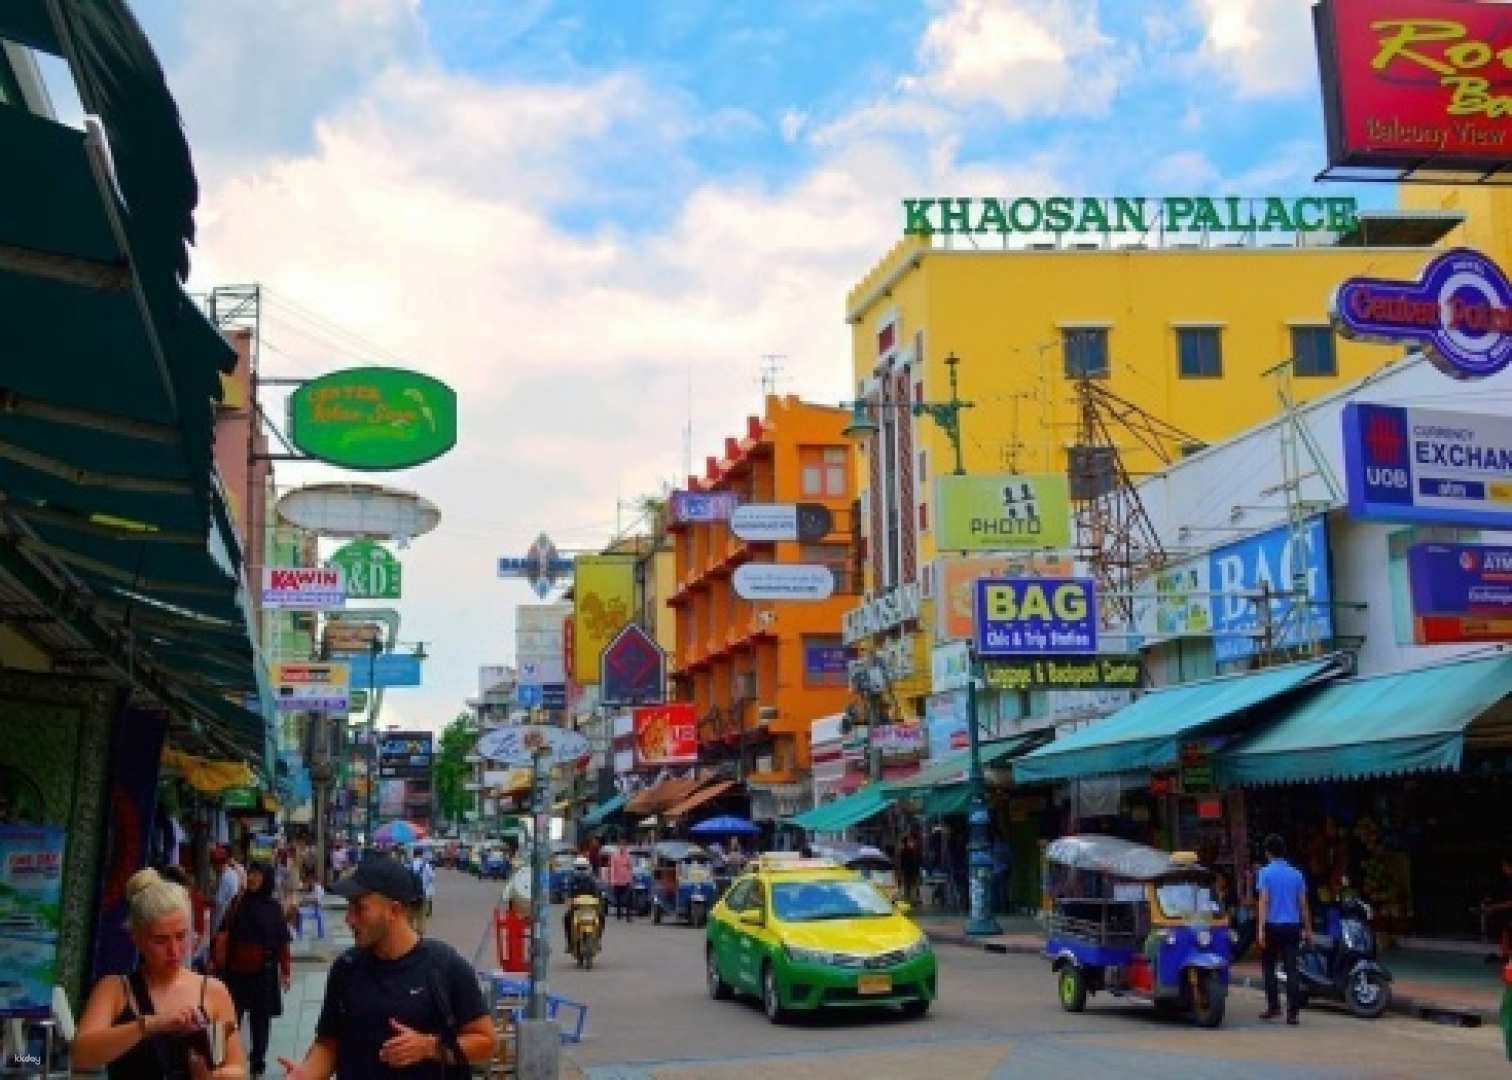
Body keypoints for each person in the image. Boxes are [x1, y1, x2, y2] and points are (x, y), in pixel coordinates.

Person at [277, 857, 496, 1078]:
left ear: (394, 910)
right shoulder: (346, 968)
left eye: (360, 908)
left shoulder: (445, 967)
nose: (349, 919)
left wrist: (430, 1047)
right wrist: (305, 1074)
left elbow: (485, 1042)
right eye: (349, 907)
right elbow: (328, 1044)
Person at [74, 868, 248, 1079]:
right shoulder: (115, 989)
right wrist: (149, 1024)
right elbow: (81, 1054)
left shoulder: (213, 990)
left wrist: (214, 1076)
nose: (174, 951)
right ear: (136, 938)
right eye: (160, 940)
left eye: (181, 936)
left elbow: (238, 1069)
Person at [216, 861, 291, 1079]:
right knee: (231, 1016)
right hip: (235, 970)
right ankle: (226, 1057)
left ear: (266, 877)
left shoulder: (273, 907)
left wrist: (285, 970)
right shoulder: (238, 903)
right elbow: (224, 932)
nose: (252, 878)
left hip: (264, 971)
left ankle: (258, 1062)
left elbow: (282, 942)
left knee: (260, 1019)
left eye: (257, 874)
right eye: (250, 873)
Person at [1257, 833, 1312, 1025]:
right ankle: (1293, 1013)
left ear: (1268, 853)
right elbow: (1304, 905)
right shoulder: (1296, 874)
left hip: (1272, 926)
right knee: (1292, 970)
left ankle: (1274, 1007)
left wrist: (1260, 929)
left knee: (1269, 967)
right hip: (1292, 927)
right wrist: (1308, 930)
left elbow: (1264, 901)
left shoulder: (1265, 873)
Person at [562, 856, 606, 949]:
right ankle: (569, 943)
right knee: (567, 918)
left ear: (587, 867)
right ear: (575, 868)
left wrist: (600, 899)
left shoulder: (592, 879)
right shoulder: (571, 879)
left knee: (601, 917)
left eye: (583, 868)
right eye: (579, 868)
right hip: (576, 907)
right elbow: (568, 892)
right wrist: (568, 900)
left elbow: (597, 891)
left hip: (590, 907)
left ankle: (598, 939)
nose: (581, 871)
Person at [606, 843, 633, 922]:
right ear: (618, 847)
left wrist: (630, 879)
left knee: (628, 898)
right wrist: (612, 880)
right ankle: (619, 914)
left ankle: (628, 916)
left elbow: (630, 867)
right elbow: (612, 868)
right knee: (618, 898)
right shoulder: (614, 856)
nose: (622, 847)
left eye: (624, 846)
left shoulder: (628, 856)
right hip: (617, 881)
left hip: (626, 880)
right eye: (621, 846)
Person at [899, 834, 922, 906]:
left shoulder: (914, 851)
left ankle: (912, 900)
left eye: (912, 841)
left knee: (912, 886)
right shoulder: (905, 851)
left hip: (913, 871)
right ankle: (910, 900)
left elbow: (918, 861)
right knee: (909, 886)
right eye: (910, 841)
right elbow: (902, 862)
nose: (912, 843)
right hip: (908, 871)